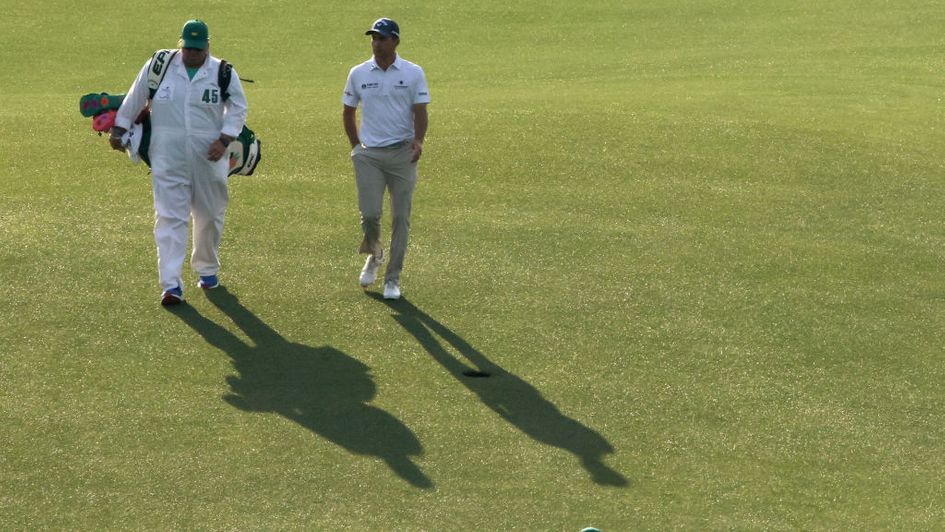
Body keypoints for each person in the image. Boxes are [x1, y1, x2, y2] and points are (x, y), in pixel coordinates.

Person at [109, 19, 248, 306]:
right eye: (188, 49)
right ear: (180, 44)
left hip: (209, 158)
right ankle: (171, 285)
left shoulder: (222, 72)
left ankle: (206, 269)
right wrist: (120, 127)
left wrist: (224, 139)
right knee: (170, 217)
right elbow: (136, 95)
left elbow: (238, 107)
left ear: (208, 46)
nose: (192, 54)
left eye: (198, 50)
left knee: (209, 215)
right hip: (167, 156)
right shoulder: (159, 65)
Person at [343, 17, 430, 300]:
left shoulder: (413, 72)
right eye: (374, 37)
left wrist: (418, 140)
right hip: (370, 154)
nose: (376, 42)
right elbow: (348, 112)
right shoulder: (358, 73)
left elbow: (420, 111)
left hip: (402, 153)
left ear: (395, 41)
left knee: (401, 217)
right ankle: (375, 254)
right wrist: (357, 147)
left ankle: (392, 278)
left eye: (382, 37)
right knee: (369, 214)